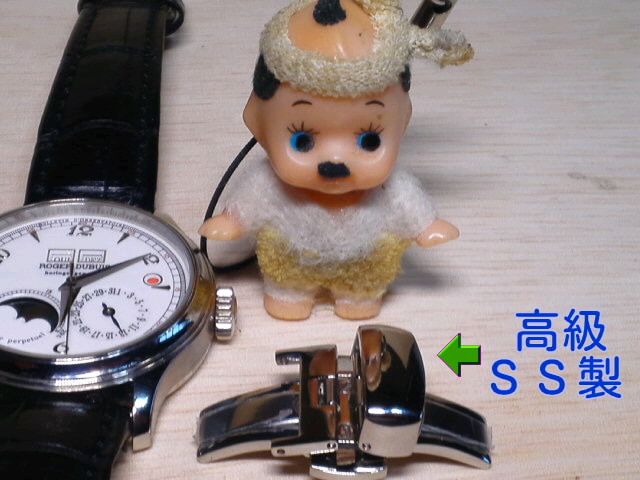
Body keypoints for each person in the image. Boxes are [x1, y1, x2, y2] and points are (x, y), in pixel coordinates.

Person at [200, 0, 473, 320]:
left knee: (361, 290)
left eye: (369, 140)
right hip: (291, 262)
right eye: (302, 140)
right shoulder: (269, 184)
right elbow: (249, 202)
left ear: (402, 124)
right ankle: (288, 296)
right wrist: (232, 221)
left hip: (365, 264)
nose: (335, 162)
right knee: (287, 287)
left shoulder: (390, 187)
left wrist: (427, 226)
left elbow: (409, 205)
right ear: (258, 124)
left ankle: (358, 300)